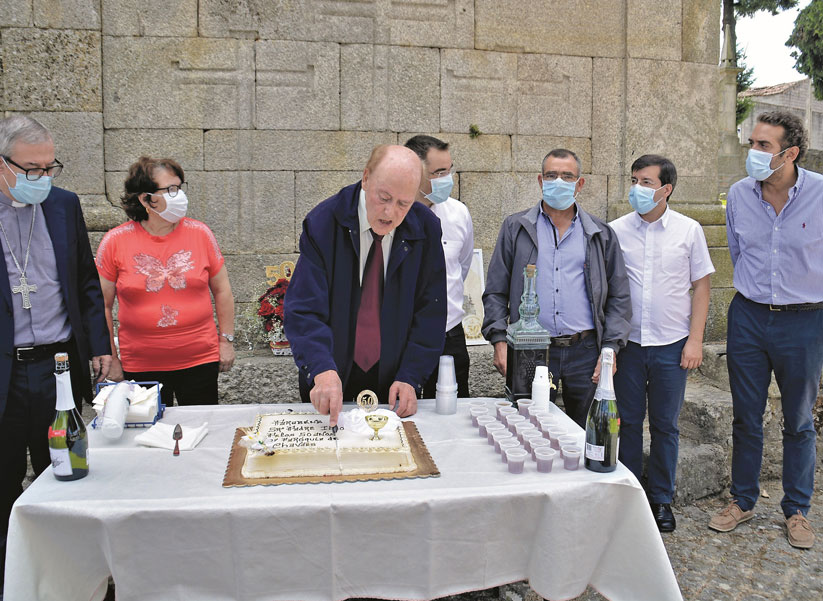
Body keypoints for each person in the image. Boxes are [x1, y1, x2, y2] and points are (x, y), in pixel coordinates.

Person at [0, 115, 111, 591]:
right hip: (6, 371)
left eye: (49, 168)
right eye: (30, 169)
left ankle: (73, 581)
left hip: (58, 367)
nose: (41, 179)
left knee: (66, 474)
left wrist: (101, 346)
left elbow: (86, 282)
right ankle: (13, 582)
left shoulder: (64, 206)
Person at [709, 111, 823, 549]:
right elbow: (739, 251)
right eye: (751, 143)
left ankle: (797, 510)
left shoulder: (819, 194)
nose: (752, 153)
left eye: (763, 146)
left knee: (798, 420)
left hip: (806, 320)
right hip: (750, 317)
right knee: (746, 415)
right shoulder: (738, 194)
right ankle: (742, 499)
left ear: (790, 153)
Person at [284, 145, 447, 425]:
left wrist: (411, 375)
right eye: (383, 198)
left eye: (403, 204)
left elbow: (430, 312)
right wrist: (321, 368)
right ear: (366, 178)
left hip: (395, 381)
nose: (390, 212)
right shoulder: (323, 223)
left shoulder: (426, 229)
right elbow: (304, 309)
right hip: (330, 377)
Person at [482, 148, 631, 426]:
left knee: (584, 433)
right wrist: (499, 340)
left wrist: (609, 348)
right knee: (529, 427)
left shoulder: (599, 233)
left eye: (567, 176)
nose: (558, 182)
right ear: (540, 181)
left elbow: (619, 296)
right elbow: (495, 289)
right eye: (551, 175)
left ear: (580, 183)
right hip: (531, 350)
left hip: (584, 351)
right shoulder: (517, 228)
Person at [609, 155, 714, 532]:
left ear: (666, 189)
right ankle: (633, 494)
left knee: (667, 425)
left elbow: (701, 286)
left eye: (646, 182)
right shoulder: (616, 230)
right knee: (630, 422)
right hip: (629, 346)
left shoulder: (689, 230)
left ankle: (662, 499)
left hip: (672, 345)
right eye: (634, 179)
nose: (637, 188)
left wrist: (695, 341)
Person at [96, 156, 235, 407]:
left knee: (201, 433)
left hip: (199, 360)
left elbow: (222, 290)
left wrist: (226, 341)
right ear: (145, 198)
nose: (178, 195)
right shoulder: (115, 242)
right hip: (141, 365)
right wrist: (112, 358)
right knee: (148, 438)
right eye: (169, 189)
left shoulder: (200, 234)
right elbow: (101, 305)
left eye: (179, 188)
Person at [404, 135, 474, 399]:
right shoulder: (393, 215)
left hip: (449, 336)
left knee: (453, 414)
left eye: (450, 170)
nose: (447, 178)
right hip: (403, 337)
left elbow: (461, 266)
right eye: (438, 172)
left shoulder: (458, 213)